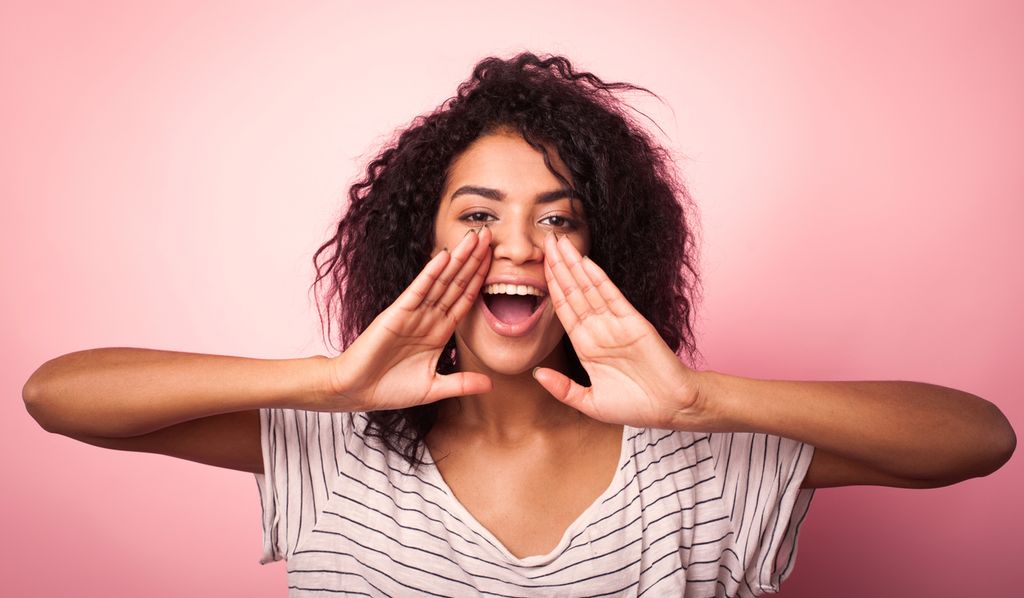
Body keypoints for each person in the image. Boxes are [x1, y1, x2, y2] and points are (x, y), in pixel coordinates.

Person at [22, 52, 1015, 597]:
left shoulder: (705, 451)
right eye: (479, 214)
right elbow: (59, 397)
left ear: (604, 250)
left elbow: (978, 438)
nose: (519, 246)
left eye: (558, 216)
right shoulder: (330, 448)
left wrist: (697, 398)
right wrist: (328, 384)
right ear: (421, 242)